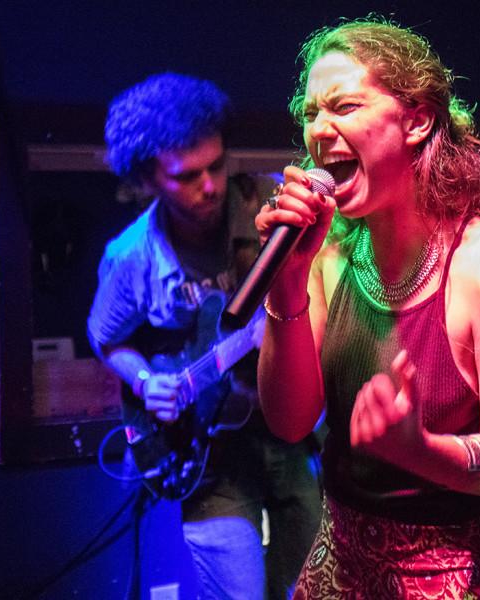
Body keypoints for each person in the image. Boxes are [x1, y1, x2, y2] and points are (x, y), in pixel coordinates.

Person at [254, 18, 480, 599]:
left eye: (344, 106)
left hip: (457, 569)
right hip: (342, 556)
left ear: (416, 120)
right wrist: (285, 285)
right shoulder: (328, 253)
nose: (320, 130)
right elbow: (289, 422)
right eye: (311, 113)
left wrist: (417, 450)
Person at [87, 72, 321, 600]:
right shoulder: (132, 258)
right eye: (187, 176)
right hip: (208, 457)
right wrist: (148, 382)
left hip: (287, 435)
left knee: (312, 590)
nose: (210, 185)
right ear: (147, 179)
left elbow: (327, 280)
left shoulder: (270, 207)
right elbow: (105, 339)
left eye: (216, 165)